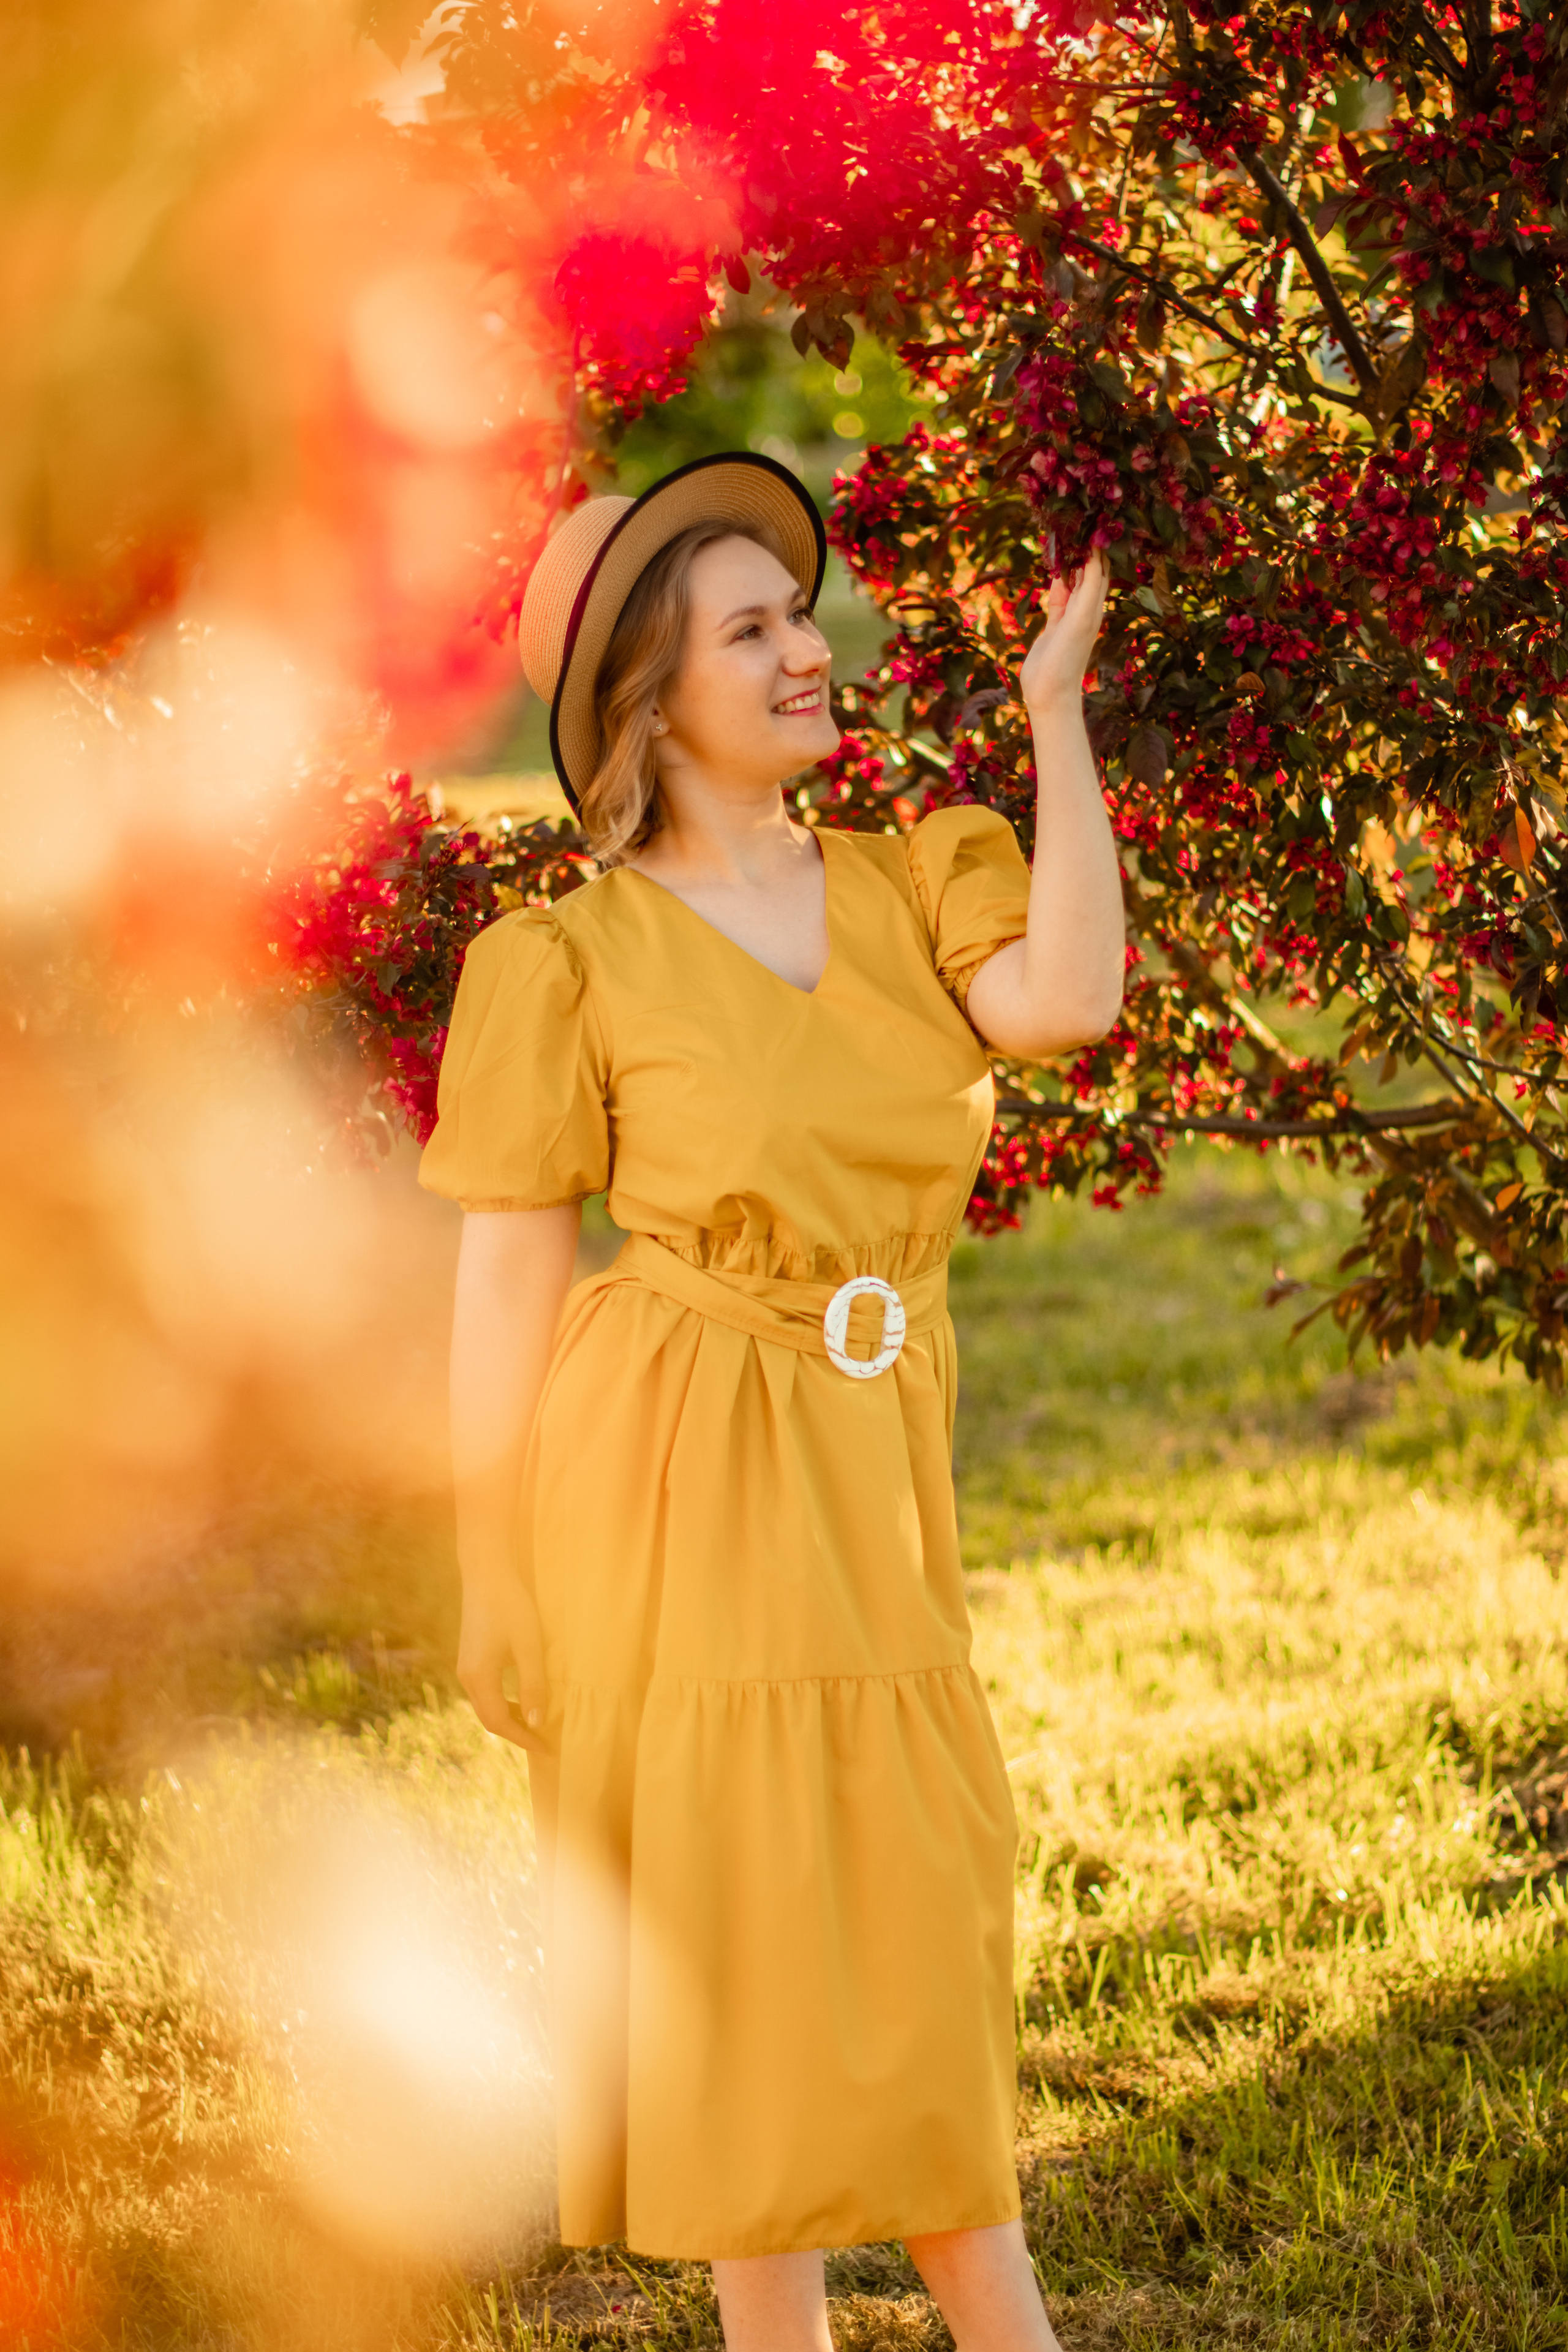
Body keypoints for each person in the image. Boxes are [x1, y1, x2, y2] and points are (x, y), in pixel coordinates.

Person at [419, 453, 1121, 2352]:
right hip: (669, 1457)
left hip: (869, 1446)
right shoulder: (563, 961)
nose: (809, 650)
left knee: (910, 1890)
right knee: (743, 1932)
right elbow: (509, 1281)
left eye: (799, 614)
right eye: (753, 629)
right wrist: (492, 1569)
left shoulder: (914, 876)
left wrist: (1056, 719)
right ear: (655, 698)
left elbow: (1068, 1000)